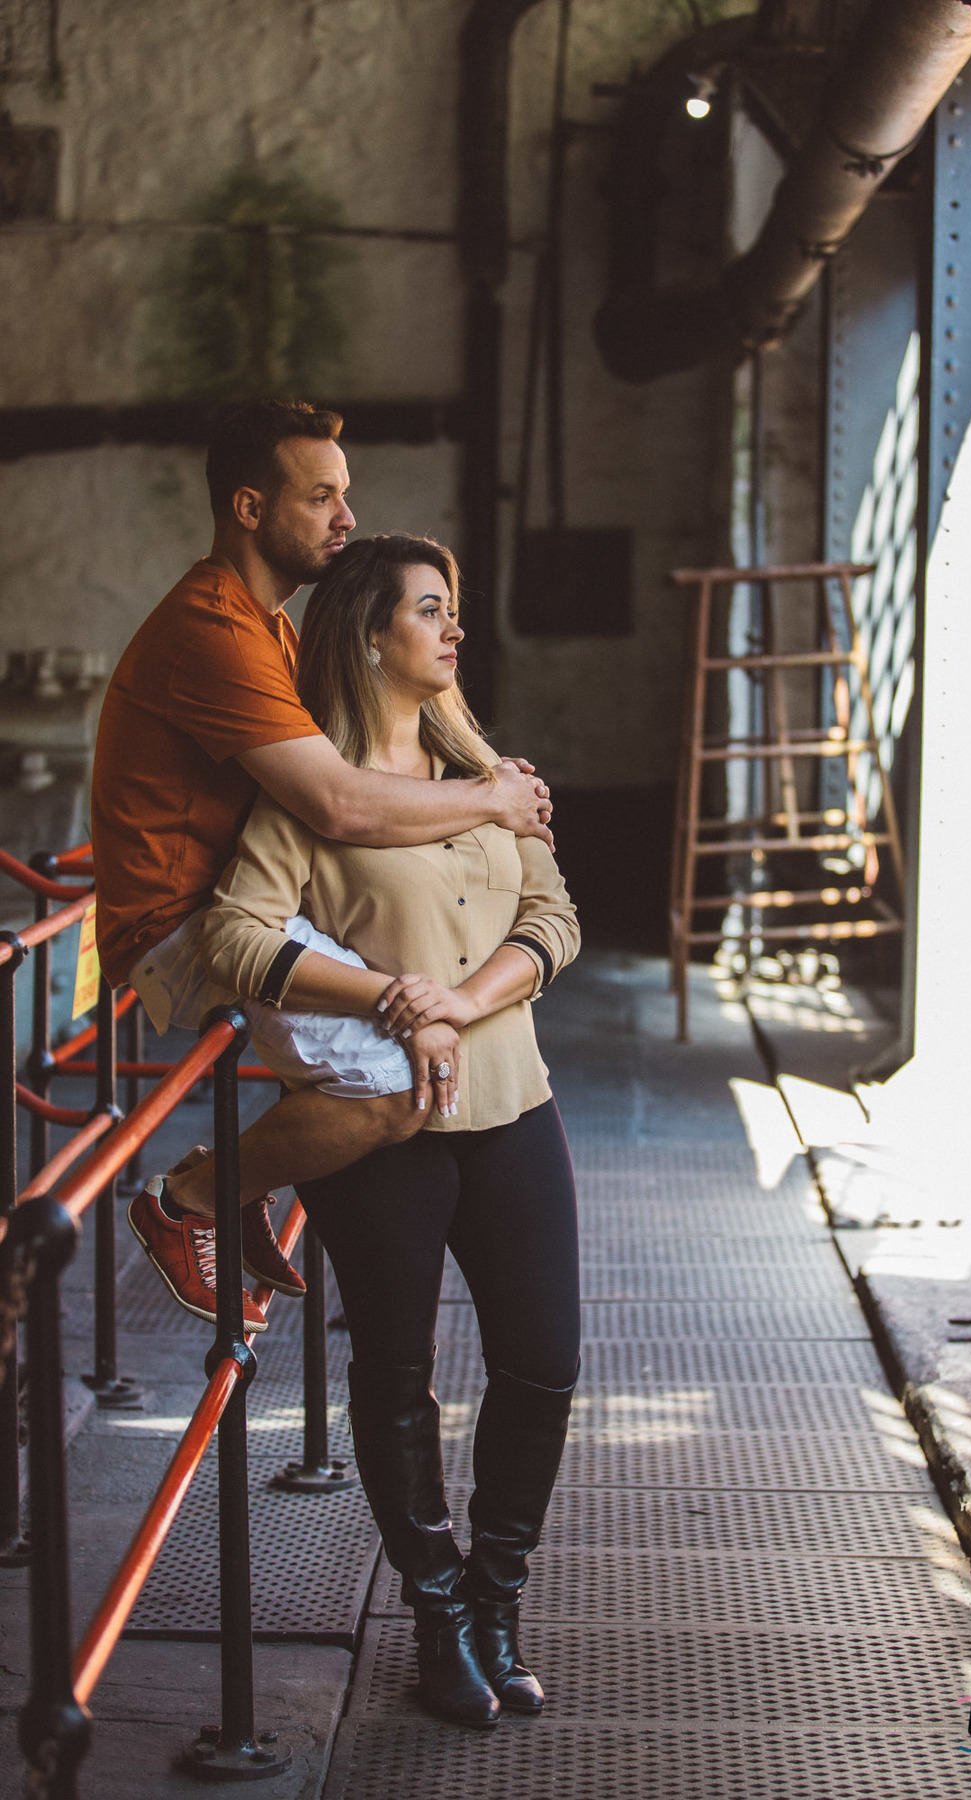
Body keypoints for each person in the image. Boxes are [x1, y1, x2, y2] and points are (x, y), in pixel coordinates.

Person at [199, 533, 581, 1729]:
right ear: (370, 634)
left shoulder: (487, 771)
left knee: (545, 1359)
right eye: (429, 609)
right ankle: (435, 1611)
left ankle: (496, 1593)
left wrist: (462, 1000)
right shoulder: (312, 799)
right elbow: (230, 938)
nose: (452, 629)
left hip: (511, 1097)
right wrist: (386, 996)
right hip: (387, 1134)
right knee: (398, 1375)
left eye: (451, 609)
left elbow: (555, 914)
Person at [91, 400, 553, 1333]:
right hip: (184, 922)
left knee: (398, 1037)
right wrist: (490, 799)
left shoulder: (269, 627)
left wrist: (477, 783)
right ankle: (189, 1199)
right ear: (251, 507)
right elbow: (337, 802)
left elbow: (346, 784)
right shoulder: (213, 628)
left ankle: (244, 1183)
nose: (347, 518)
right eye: (322, 497)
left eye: (348, 497)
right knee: (396, 1085)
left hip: (235, 897)